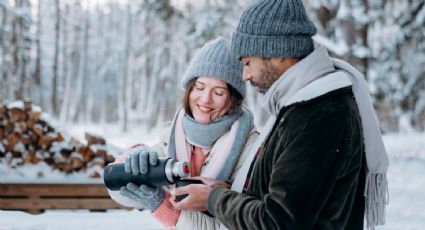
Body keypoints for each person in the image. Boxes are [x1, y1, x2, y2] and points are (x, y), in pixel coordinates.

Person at [171, 1, 389, 230]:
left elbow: (277, 222)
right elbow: (284, 199)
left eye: (247, 62)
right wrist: (223, 192)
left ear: (278, 53)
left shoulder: (318, 116)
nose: (245, 75)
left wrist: (213, 199)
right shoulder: (304, 105)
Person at [107, 37, 259, 229]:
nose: (205, 99)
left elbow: (227, 226)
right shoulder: (174, 135)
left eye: (218, 92)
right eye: (200, 87)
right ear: (189, 89)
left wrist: (163, 206)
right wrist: (132, 159)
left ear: (234, 100)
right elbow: (116, 190)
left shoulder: (250, 150)